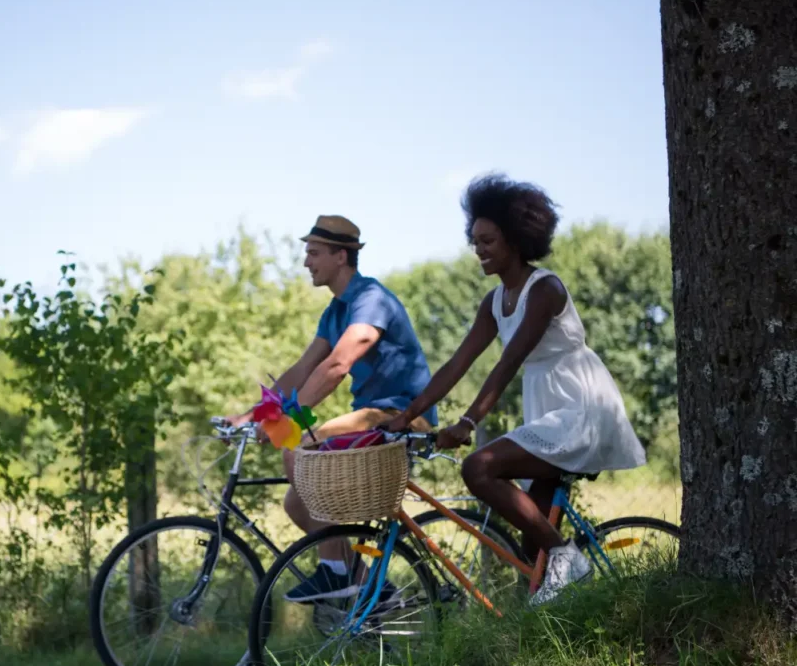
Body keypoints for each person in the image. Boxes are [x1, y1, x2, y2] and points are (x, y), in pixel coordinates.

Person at [386, 174, 646, 605]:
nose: (479, 251)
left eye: (487, 241)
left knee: (479, 468)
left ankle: (569, 555)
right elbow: (458, 363)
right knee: (532, 544)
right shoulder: (493, 301)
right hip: (546, 408)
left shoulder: (544, 288)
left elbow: (509, 362)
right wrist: (407, 414)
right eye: (474, 242)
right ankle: (577, 614)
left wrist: (469, 421)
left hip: (579, 405)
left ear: (514, 239)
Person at [228, 214, 438, 601]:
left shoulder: (371, 299)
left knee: (305, 450)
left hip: (403, 414)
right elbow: (302, 369)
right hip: (375, 415)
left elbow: (338, 365)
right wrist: (253, 414)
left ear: (342, 256)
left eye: (314, 253)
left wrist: (287, 416)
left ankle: (336, 572)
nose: (306, 262)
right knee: (297, 503)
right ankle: (371, 589)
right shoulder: (336, 310)